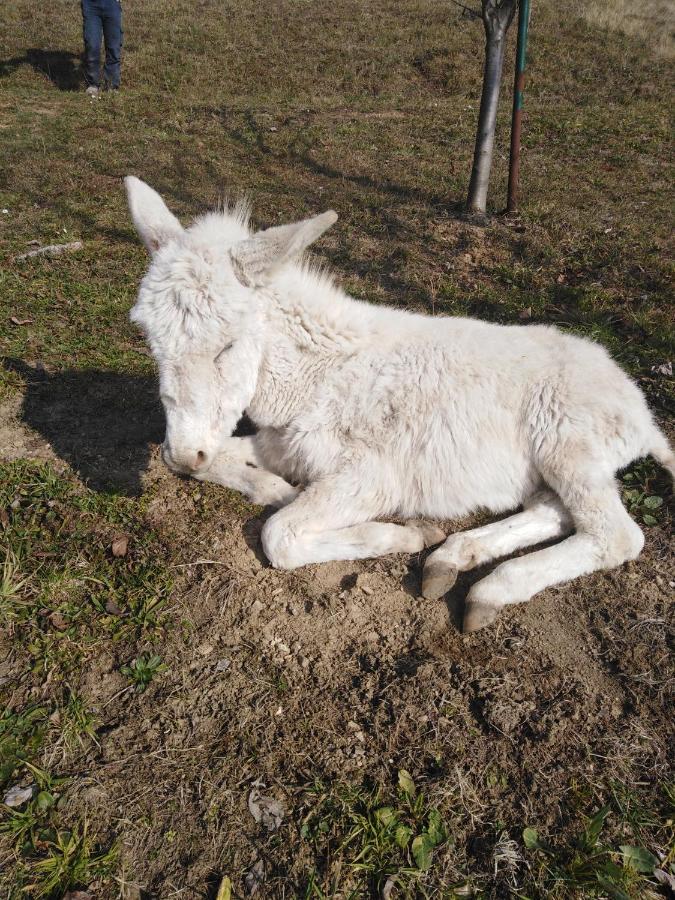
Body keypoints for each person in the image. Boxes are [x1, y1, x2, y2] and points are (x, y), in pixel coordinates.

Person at [81, 0, 123, 97]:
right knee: (92, 44)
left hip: (112, 5)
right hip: (91, 5)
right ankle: (93, 84)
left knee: (113, 46)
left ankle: (111, 86)